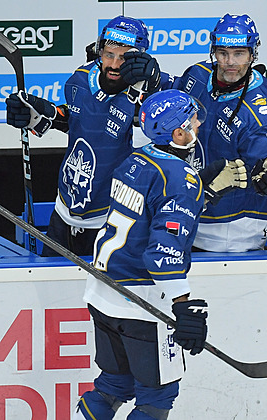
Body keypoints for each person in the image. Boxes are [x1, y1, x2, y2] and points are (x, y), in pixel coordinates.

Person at [73, 89, 209, 420]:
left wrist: (204, 192)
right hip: (143, 303)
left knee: (113, 386)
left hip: (104, 292)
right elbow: (163, 253)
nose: (198, 124)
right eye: (192, 120)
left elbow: (149, 212)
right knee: (156, 398)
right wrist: (182, 305)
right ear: (178, 133)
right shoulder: (181, 178)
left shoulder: (135, 159)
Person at [5, 15, 162, 256]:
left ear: (139, 57)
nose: (115, 64)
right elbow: (79, 120)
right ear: (100, 50)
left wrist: (152, 91)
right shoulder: (80, 79)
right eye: (109, 54)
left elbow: (169, 132)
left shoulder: (148, 98)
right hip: (64, 212)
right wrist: (43, 116)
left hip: (112, 222)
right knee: (52, 289)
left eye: (124, 57)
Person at [159, 13, 267, 252]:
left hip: (236, 229)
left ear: (253, 54)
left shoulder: (257, 109)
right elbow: (173, 93)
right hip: (193, 214)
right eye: (223, 53)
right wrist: (152, 78)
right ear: (214, 51)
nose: (230, 62)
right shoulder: (199, 75)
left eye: (239, 54)